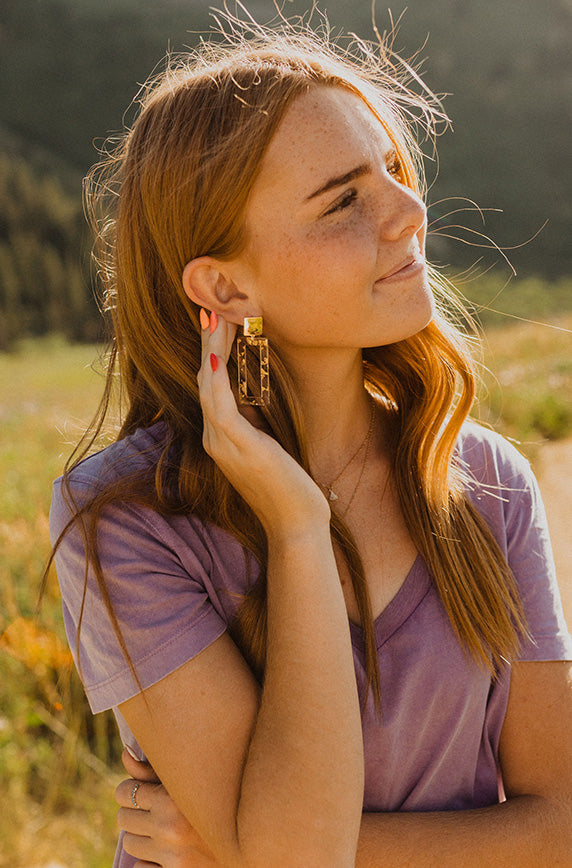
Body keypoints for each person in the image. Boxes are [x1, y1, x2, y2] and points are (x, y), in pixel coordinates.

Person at [49, 12, 572, 868]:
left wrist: (245, 845)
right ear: (226, 285)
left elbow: (561, 830)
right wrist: (297, 526)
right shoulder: (123, 519)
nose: (409, 211)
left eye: (395, 172)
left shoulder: (485, 480)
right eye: (343, 201)